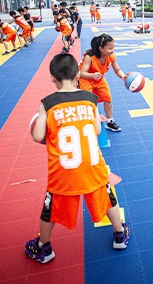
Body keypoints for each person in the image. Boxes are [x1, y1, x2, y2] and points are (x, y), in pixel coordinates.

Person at [25, 53, 129, 264]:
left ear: (52, 77)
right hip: (93, 167)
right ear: (77, 76)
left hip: (63, 172)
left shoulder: (48, 103)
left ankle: (43, 247)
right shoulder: (90, 99)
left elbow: (37, 136)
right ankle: (119, 234)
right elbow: (97, 129)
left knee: (50, 210)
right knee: (108, 197)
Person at [78, 34, 127, 132]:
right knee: (89, 103)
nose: (112, 50)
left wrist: (123, 76)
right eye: (109, 48)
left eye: (113, 47)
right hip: (86, 79)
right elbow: (81, 73)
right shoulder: (89, 57)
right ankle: (88, 123)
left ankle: (110, 121)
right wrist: (92, 75)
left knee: (107, 99)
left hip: (99, 79)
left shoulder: (111, 56)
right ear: (101, 48)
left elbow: (117, 70)